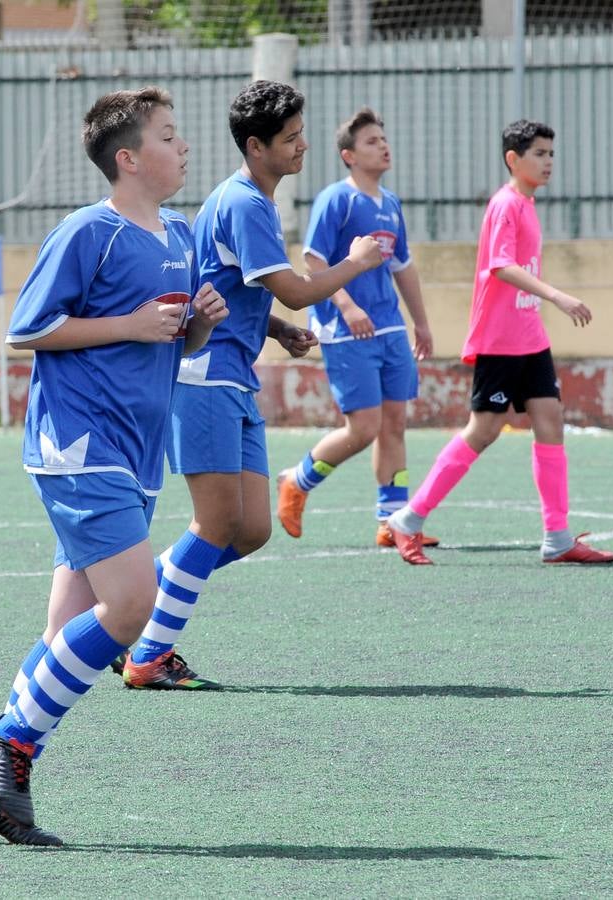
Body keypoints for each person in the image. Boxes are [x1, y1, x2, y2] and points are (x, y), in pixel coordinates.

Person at [0, 86, 229, 846]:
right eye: (170, 137)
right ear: (129, 158)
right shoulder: (90, 230)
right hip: (80, 447)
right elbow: (29, 329)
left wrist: (196, 327)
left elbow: (173, 344)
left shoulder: (177, 234)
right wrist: (133, 323)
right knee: (132, 607)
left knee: (67, 627)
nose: (184, 148)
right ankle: (8, 748)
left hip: (135, 454)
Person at [117, 80, 383, 691]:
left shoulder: (249, 202)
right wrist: (359, 260)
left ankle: (126, 604)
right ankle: (147, 650)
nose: (303, 147)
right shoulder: (242, 202)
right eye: (290, 139)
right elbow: (293, 284)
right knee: (214, 526)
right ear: (256, 145)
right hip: (203, 379)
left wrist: (277, 329)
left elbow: (228, 291)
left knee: (252, 530)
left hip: (233, 381)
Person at [386, 119, 613, 566]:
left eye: (552, 153)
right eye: (540, 154)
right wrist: (556, 294)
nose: (549, 162)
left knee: (550, 421)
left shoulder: (528, 205)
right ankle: (409, 519)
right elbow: (500, 266)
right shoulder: (505, 205)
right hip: (500, 341)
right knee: (484, 431)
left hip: (531, 339)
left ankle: (557, 537)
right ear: (514, 159)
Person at [275, 107, 437, 549]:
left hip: (389, 329)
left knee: (395, 425)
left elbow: (402, 267)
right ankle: (297, 480)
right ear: (348, 155)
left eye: (384, 139)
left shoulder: (392, 204)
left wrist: (420, 322)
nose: (383, 146)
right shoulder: (337, 199)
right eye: (371, 141)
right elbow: (314, 261)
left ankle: (392, 521)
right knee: (363, 428)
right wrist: (346, 306)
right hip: (346, 331)